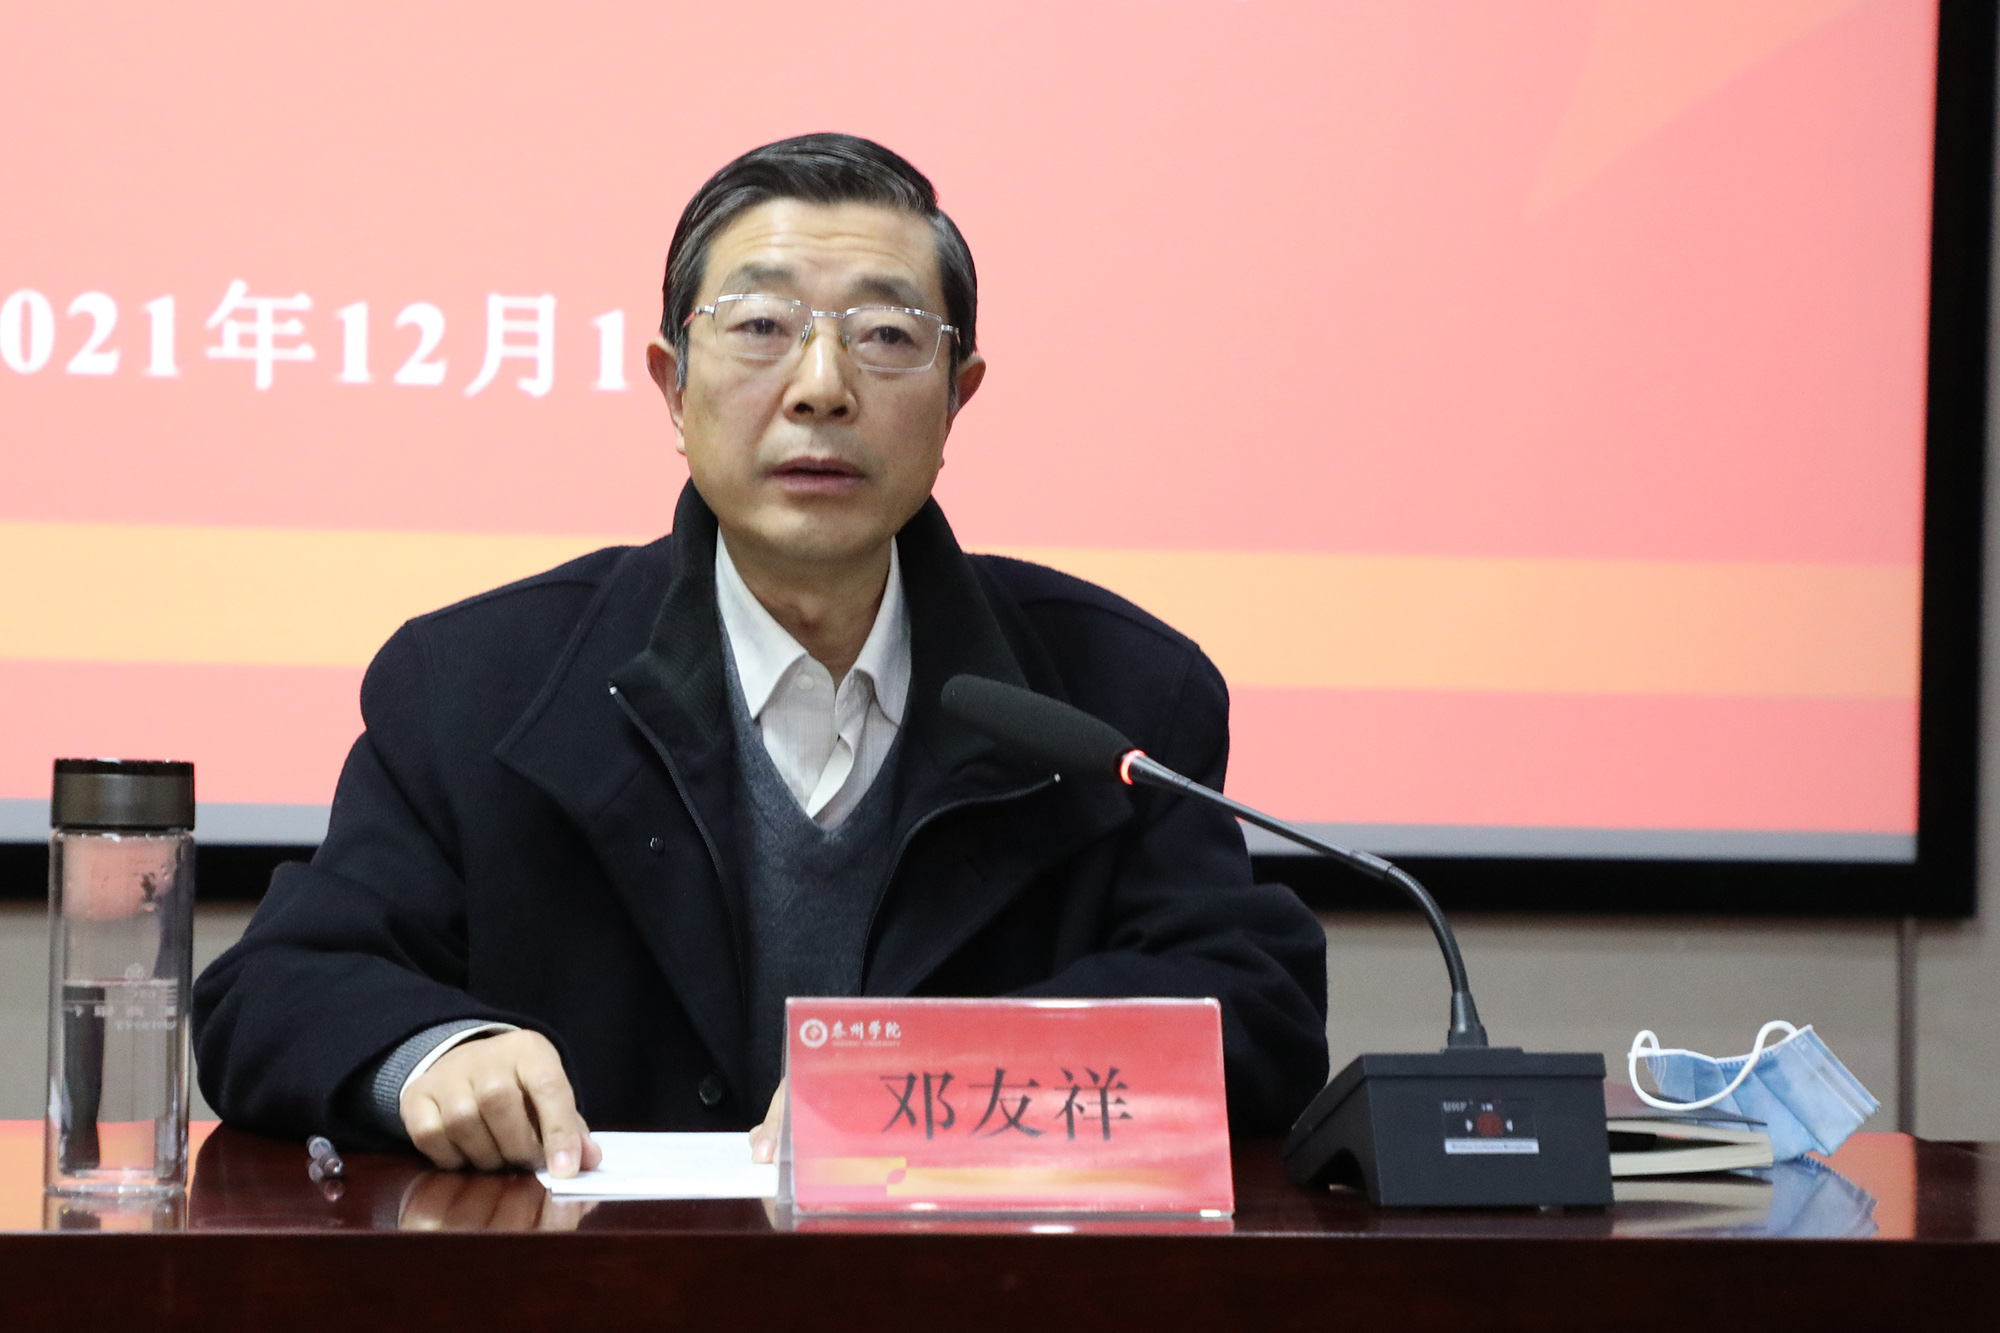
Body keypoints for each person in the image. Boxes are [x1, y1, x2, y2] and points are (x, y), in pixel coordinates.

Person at [192, 134, 1328, 1178]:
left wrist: (946, 1076)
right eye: (760, 327)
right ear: (672, 385)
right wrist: (436, 1054)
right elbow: (276, 989)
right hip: (588, 1289)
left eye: (887, 336)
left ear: (957, 398)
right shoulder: (473, 685)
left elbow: (1255, 1003)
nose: (822, 387)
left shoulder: (1119, 692)